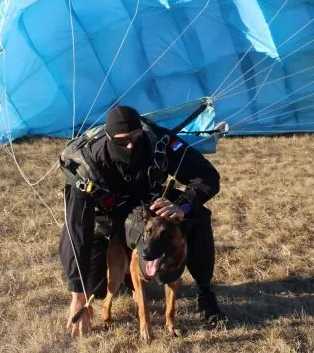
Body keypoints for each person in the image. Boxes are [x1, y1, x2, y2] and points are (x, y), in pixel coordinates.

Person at [59, 105, 226, 337]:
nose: (130, 145)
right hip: (107, 218)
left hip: (148, 208)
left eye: (135, 137)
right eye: (122, 140)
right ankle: (126, 275)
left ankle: (205, 290)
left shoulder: (159, 141)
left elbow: (208, 176)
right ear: (109, 138)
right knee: (95, 287)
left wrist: (183, 204)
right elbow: (76, 228)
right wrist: (77, 294)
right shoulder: (87, 165)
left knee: (197, 214)